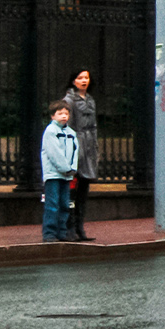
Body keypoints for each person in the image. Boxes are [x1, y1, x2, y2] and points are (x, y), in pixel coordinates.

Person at [62, 70, 98, 242]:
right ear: (73, 81)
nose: (84, 81)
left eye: (86, 78)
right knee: (72, 192)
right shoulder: (69, 100)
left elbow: (94, 126)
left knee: (83, 191)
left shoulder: (90, 100)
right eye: (80, 78)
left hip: (89, 147)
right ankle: (69, 229)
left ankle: (80, 228)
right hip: (77, 146)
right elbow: (67, 127)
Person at [40, 101, 79, 243]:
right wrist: (66, 169)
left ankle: (62, 232)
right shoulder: (50, 132)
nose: (64, 116)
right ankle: (49, 233)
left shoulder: (71, 133)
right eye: (60, 113)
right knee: (52, 204)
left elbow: (75, 152)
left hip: (66, 175)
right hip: (53, 174)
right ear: (52, 116)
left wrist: (72, 168)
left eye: (66, 113)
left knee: (64, 203)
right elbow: (54, 153)